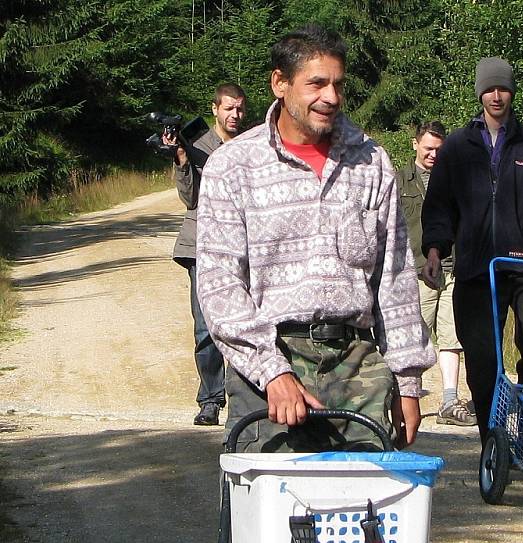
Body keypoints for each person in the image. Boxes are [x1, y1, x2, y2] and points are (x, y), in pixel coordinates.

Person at [195, 25, 435, 452]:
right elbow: (219, 284)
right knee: (271, 510)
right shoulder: (233, 165)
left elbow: (395, 279)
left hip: (358, 364)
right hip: (268, 363)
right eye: (317, 83)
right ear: (280, 83)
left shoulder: (371, 161)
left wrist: (409, 381)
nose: (331, 97)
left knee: (364, 510)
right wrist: (272, 371)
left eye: (338, 84)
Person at [422, 57, 523, 442]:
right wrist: (435, 248)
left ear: (512, 92)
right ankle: (492, 441)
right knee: (482, 359)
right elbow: (439, 204)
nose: (496, 95)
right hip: (475, 269)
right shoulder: (457, 147)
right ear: (480, 93)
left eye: (503, 88)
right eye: (489, 88)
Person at [167, 83, 247, 426]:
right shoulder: (197, 147)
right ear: (215, 109)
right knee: (206, 328)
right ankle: (211, 399)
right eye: (228, 108)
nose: (235, 115)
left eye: (240, 109)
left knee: (245, 324)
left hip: (244, 247)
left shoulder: (252, 146)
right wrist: (182, 159)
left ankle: (245, 397)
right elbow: (189, 199)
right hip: (202, 247)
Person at [397, 121, 477, 427]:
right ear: (415, 144)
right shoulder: (398, 181)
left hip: (452, 269)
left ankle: (448, 400)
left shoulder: (456, 180)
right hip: (414, 272)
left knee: (451, 338)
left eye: (439, 150)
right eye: (428, 148)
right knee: (412, 339)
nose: (433, 154)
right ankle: (403, 399)